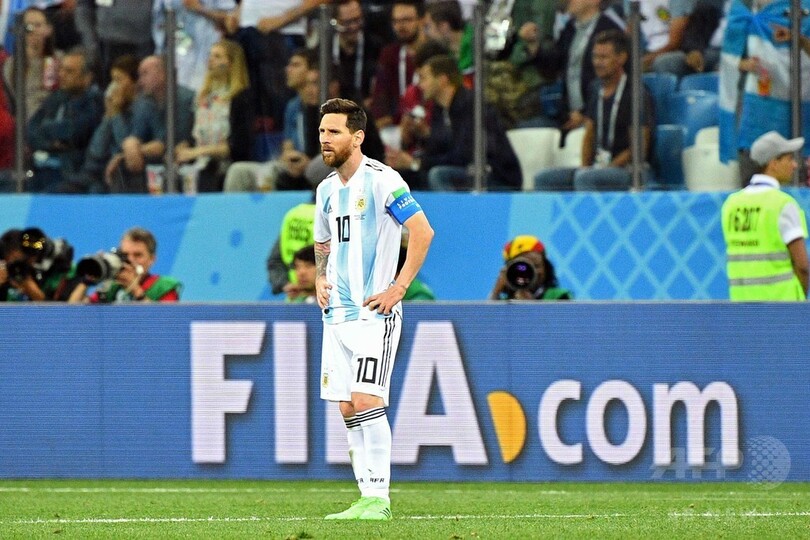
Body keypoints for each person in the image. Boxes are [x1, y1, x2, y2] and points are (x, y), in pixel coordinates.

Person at [314, 98, 433, 520]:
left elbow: (422, 231)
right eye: (322, 131)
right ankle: (365, 496)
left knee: (366, 399)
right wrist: (319, 277)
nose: (325, 139)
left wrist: (399, 287)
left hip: (373, 314)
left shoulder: (383, 180)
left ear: (358, 136)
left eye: (334, 132)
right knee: (347, 406)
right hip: (337, 315)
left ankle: (380, 498)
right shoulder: (326, 189)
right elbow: (323, 240)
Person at [534, 29, 654, 191]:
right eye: (595, 57)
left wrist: (606, 168)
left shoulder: (636, 94)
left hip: (630, 169)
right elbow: (589, 135)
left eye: (603, 57)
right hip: (599, 167)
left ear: (621, 58)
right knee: (545, 178)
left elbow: (639, 148)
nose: (597, 62)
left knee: (586, 178)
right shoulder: (595, 88)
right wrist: (585, 167)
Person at [387, 54, 521, 191]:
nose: (420, 86)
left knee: (438, 175)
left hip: (494, 176)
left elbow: (464, 156)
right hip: (462, 170)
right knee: (402, 176)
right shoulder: (439, 109)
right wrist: (409, 158)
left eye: (424, 78)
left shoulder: (472, 105)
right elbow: (436, 150)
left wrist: (417, 163)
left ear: (442, 80)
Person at [721, 131, 808, 301]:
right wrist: (800, 302)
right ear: (773, 163)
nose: (795, 165)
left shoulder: (731, 204)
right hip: (782, 305)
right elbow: (803, 266)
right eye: (789, 159)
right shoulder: (783, 204)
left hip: (741, 304)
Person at [174, 39, 254, 192]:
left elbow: (238, 146)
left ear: (231, 64)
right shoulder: (202, 98)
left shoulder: (241, 98)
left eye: (217, 56)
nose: (211, 60)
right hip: (199, 163)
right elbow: (193, 136)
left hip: (225, 166)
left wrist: (198, 152)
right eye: (210, 55)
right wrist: (184, 147)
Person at [108, 55, 196, 193]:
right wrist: (130, 144)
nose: (140, 81)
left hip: (183, 159)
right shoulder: (144, 101)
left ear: (162, 75)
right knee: (122, 165)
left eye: (145, 74)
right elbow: (135, 136)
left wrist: (135, 150)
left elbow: (176, 141)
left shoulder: (185, 99)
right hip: (155, 161)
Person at [26, 46, 104, 192]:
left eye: (69, 71)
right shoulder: (56, 98)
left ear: (87, 78)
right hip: (36, 170)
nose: (61, 74)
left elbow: (75, 131)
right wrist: (51, 144)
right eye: (61, 69)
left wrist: (46, 128)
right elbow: (31, 129)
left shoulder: (95, 102)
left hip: (68, 174)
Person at [69, 227, 182, 303]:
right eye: (125, 254)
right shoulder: (112, 287)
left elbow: (166, 323)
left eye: (138, 255)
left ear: (152, 259)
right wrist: (88, 279)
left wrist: (135, 289)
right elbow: (73, 314)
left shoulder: (163, 286)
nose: (130, 260)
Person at [0, 226, 79, 301]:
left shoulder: (59, 274)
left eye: (22, 262)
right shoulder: (6, 276)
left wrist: (34, 292)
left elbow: (63, 309)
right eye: (11, 264)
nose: (17, 269)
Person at [489, 234, 572, 300]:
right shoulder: (503, 303)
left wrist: (530, 306)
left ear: (546, 268)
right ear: (509, 271)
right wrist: (495, 292)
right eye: (522, 267)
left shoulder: (560, 297)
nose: (532, 271)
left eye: (536, 265)